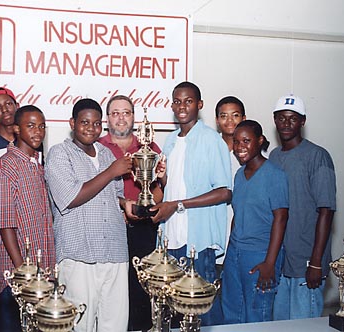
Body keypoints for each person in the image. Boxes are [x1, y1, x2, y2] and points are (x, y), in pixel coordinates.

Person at [45, 98, 136, 332]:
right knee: (79, 324)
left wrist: (126, 204)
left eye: (97, 124)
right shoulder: (59, 154)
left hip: (114, 252)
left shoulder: (106, 154)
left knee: (115, 325)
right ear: (72, 123)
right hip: (79, 254)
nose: (91, 128)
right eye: (85, 122)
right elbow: (70, 198)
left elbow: (112, 196)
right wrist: (111, 171)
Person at [151, 81, 232, 326]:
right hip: (171, 241)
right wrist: (162, 178)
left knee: (203, 314)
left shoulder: (211, 140)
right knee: (175, 316)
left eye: (188, 101)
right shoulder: (171, 141)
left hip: (198, 242)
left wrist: (177, 205)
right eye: (177, 101)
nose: (182, 106)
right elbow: (170, 187)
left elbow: (224, 192)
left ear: (199, 105)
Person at [98, 95, 162, 331]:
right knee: (111, 293)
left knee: (142, 292)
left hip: (144, 229)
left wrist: (148, 204)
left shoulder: (150, 146)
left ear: (134, 117)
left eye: (126, 112)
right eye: (115, 113)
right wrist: (122, 205)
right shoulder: (97, 146)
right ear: (107, 119)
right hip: (109, 228)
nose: (121, 118)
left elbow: (159, 192)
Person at [270, 95, 336, 320]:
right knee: (279, 325)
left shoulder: (318, 156)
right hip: (281, 262)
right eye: (281, 118)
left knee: (303, 325)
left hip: (306, 261)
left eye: (292, 118)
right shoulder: (274, 157)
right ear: (275, 120)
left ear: (302, 122)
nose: (286, 123)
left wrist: (316, 262)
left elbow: (326, 211)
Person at [0, 105, 56, 332]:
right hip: (15, 277)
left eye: (41, 126)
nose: (38, 132)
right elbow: (5, 224)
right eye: (30, 126)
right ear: (17, 129)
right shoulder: (6, 165)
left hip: (40, 275)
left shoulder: (37, 165)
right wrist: (23, 271)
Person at [221, 120, 288, 324]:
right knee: (232, 312)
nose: (240, 147)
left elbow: (281, 218)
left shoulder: (275, 175)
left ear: (260, 141)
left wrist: (270, 262)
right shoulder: (240, 175)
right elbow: (237, 214)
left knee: (257, 314)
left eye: (246, 141)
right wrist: (229, 253)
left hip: (260, 254)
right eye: (236, 142)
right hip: (235, 253)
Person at [214, 96, 246, 266]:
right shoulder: (209, 147)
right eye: (224, 116)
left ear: (244, 119)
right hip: (214, 228)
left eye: (235, 115)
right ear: (217, 120)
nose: (230, 121)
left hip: (242, 232)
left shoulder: (252, 154)